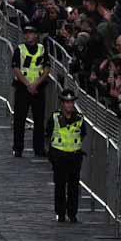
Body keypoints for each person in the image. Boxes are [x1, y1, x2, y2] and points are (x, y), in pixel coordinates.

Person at [47, 89, 86, 223]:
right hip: (59, 156)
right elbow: (48, 134)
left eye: (71, 102)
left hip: (74, 157)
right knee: (60, 185)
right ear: (62, 103)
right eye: (67, 102)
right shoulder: (54, 117)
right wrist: (51, 153)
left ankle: (72, 213)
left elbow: (82, 135)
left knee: (74, 186)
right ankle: (60, 212)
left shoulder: (80, 119)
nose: (69, 105)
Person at [11, 25, 49, 158]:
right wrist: (28, 85)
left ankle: (39, 149)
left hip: (38, 89)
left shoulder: (42, 49)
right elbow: (16, 69)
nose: (28, 35)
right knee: (19, 120)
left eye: (31, 33)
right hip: (22, 89)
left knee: (39, 121)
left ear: (36, 35)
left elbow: (46, 69)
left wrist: (35, 84)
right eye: (26, 33)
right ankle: (18, 148)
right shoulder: (19, 50)